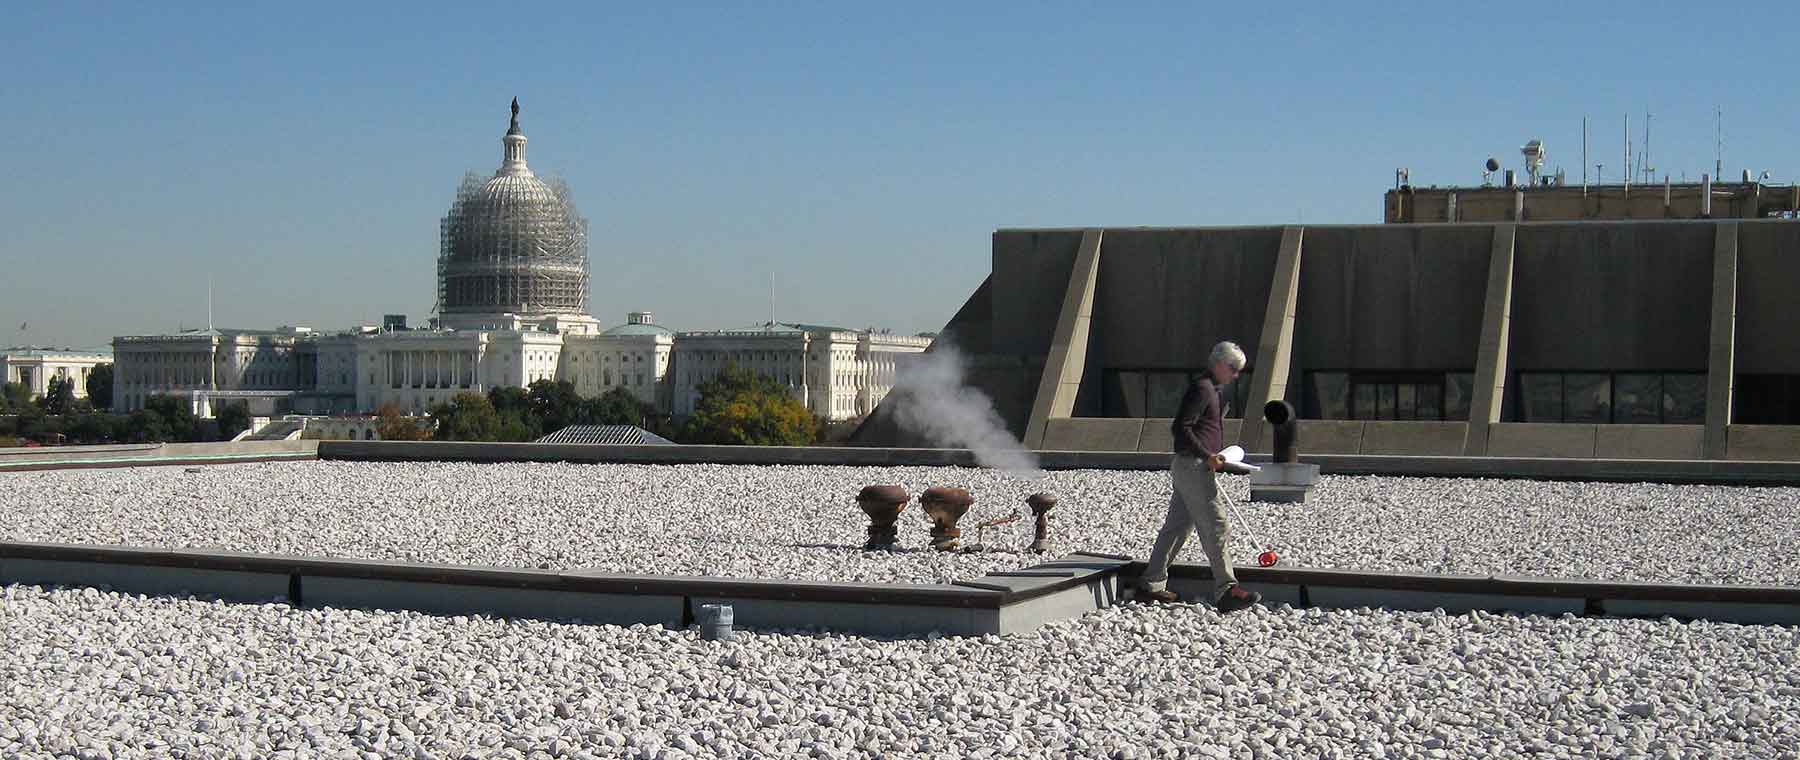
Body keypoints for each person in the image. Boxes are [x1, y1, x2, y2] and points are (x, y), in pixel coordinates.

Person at [1137, 340, 1262, 613]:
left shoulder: (1209, 389)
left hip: (1189, 465)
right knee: (1216, 525)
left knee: (1178, 527)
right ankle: (1226, 589)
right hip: (1194, 465)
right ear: (1218, 364)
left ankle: (1151, 584)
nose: (1236, 374)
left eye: (1239, 370)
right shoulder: (1203, 389)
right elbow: (1181, 428)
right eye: (1233, 368)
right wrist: (1207, 455)